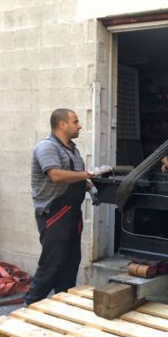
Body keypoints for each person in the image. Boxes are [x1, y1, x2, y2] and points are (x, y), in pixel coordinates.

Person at [25, 109, 103, 305]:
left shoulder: (73, 149)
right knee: (52, 263)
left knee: (71, 262)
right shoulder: (47, 147)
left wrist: (90, 187)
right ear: (62, 125)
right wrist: (89, 174)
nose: (80, 126)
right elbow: (56, 175)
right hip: (54, 213)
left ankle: (63, 303)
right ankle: (30, 304)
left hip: (72, 213)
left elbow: (75, 177)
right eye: (75, 122)